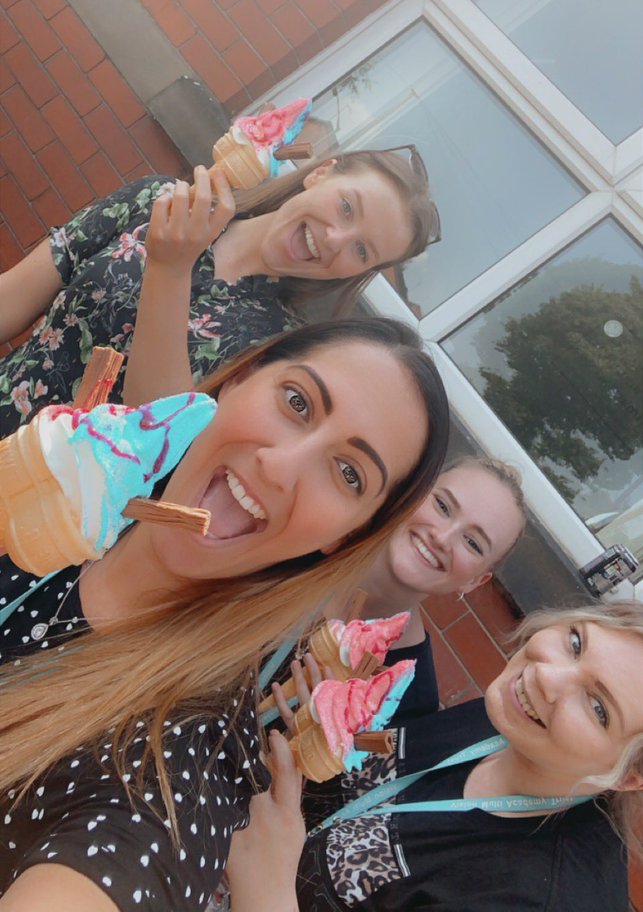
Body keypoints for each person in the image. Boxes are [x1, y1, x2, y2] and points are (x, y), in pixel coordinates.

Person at [0, 317, 449, 911]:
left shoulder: (185, 766)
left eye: (348, 474)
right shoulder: (55, 486)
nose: (280, 467)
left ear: (348, 536)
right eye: (297, 402)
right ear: (237, 381)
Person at [228, 601, 643, 912]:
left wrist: (267, 890)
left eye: (598, 707)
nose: (547, 676)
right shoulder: (508, 723)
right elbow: (372, 787)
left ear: (630, 777)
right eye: (575, 642)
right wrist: (319, 725)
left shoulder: (545, 897)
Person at [0, 147, 439, 433]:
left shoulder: (282, 350)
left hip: (37, 520)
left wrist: (171, 270)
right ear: (320, 173)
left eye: (362, 250)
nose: (336, 239)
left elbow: (149, 430)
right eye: (347, 207)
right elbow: (15, 297)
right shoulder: (162, 202)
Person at [269, 457, 527, 722]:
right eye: (442, 505)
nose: (441, 537)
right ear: (415, 491)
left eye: (472, 543)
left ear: (474, 581)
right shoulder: (297, 541)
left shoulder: (406, 697)